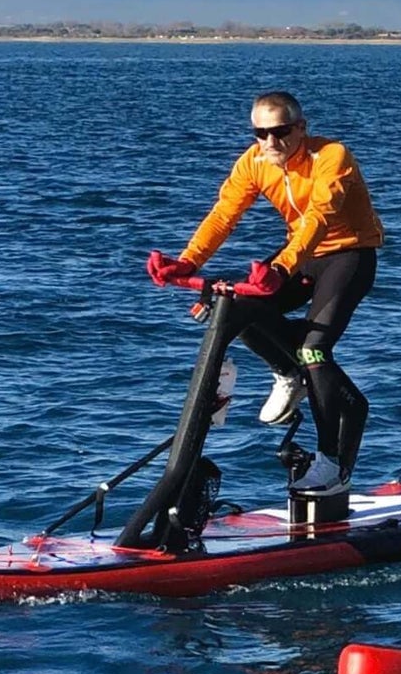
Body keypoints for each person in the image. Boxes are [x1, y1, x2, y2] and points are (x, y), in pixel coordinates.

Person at [147, 89, 384, 492]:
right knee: (235, 305)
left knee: (315, 349)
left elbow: (319, 218)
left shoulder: (331, 156)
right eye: (261, 133)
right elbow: (224, 214)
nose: (271, 142)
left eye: (281, 131)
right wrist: (188, 263)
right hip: (301, 255)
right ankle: (287, 371)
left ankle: (331, 463)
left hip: (349, 255)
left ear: (301, 128)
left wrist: (280, 267)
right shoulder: (254, 162)